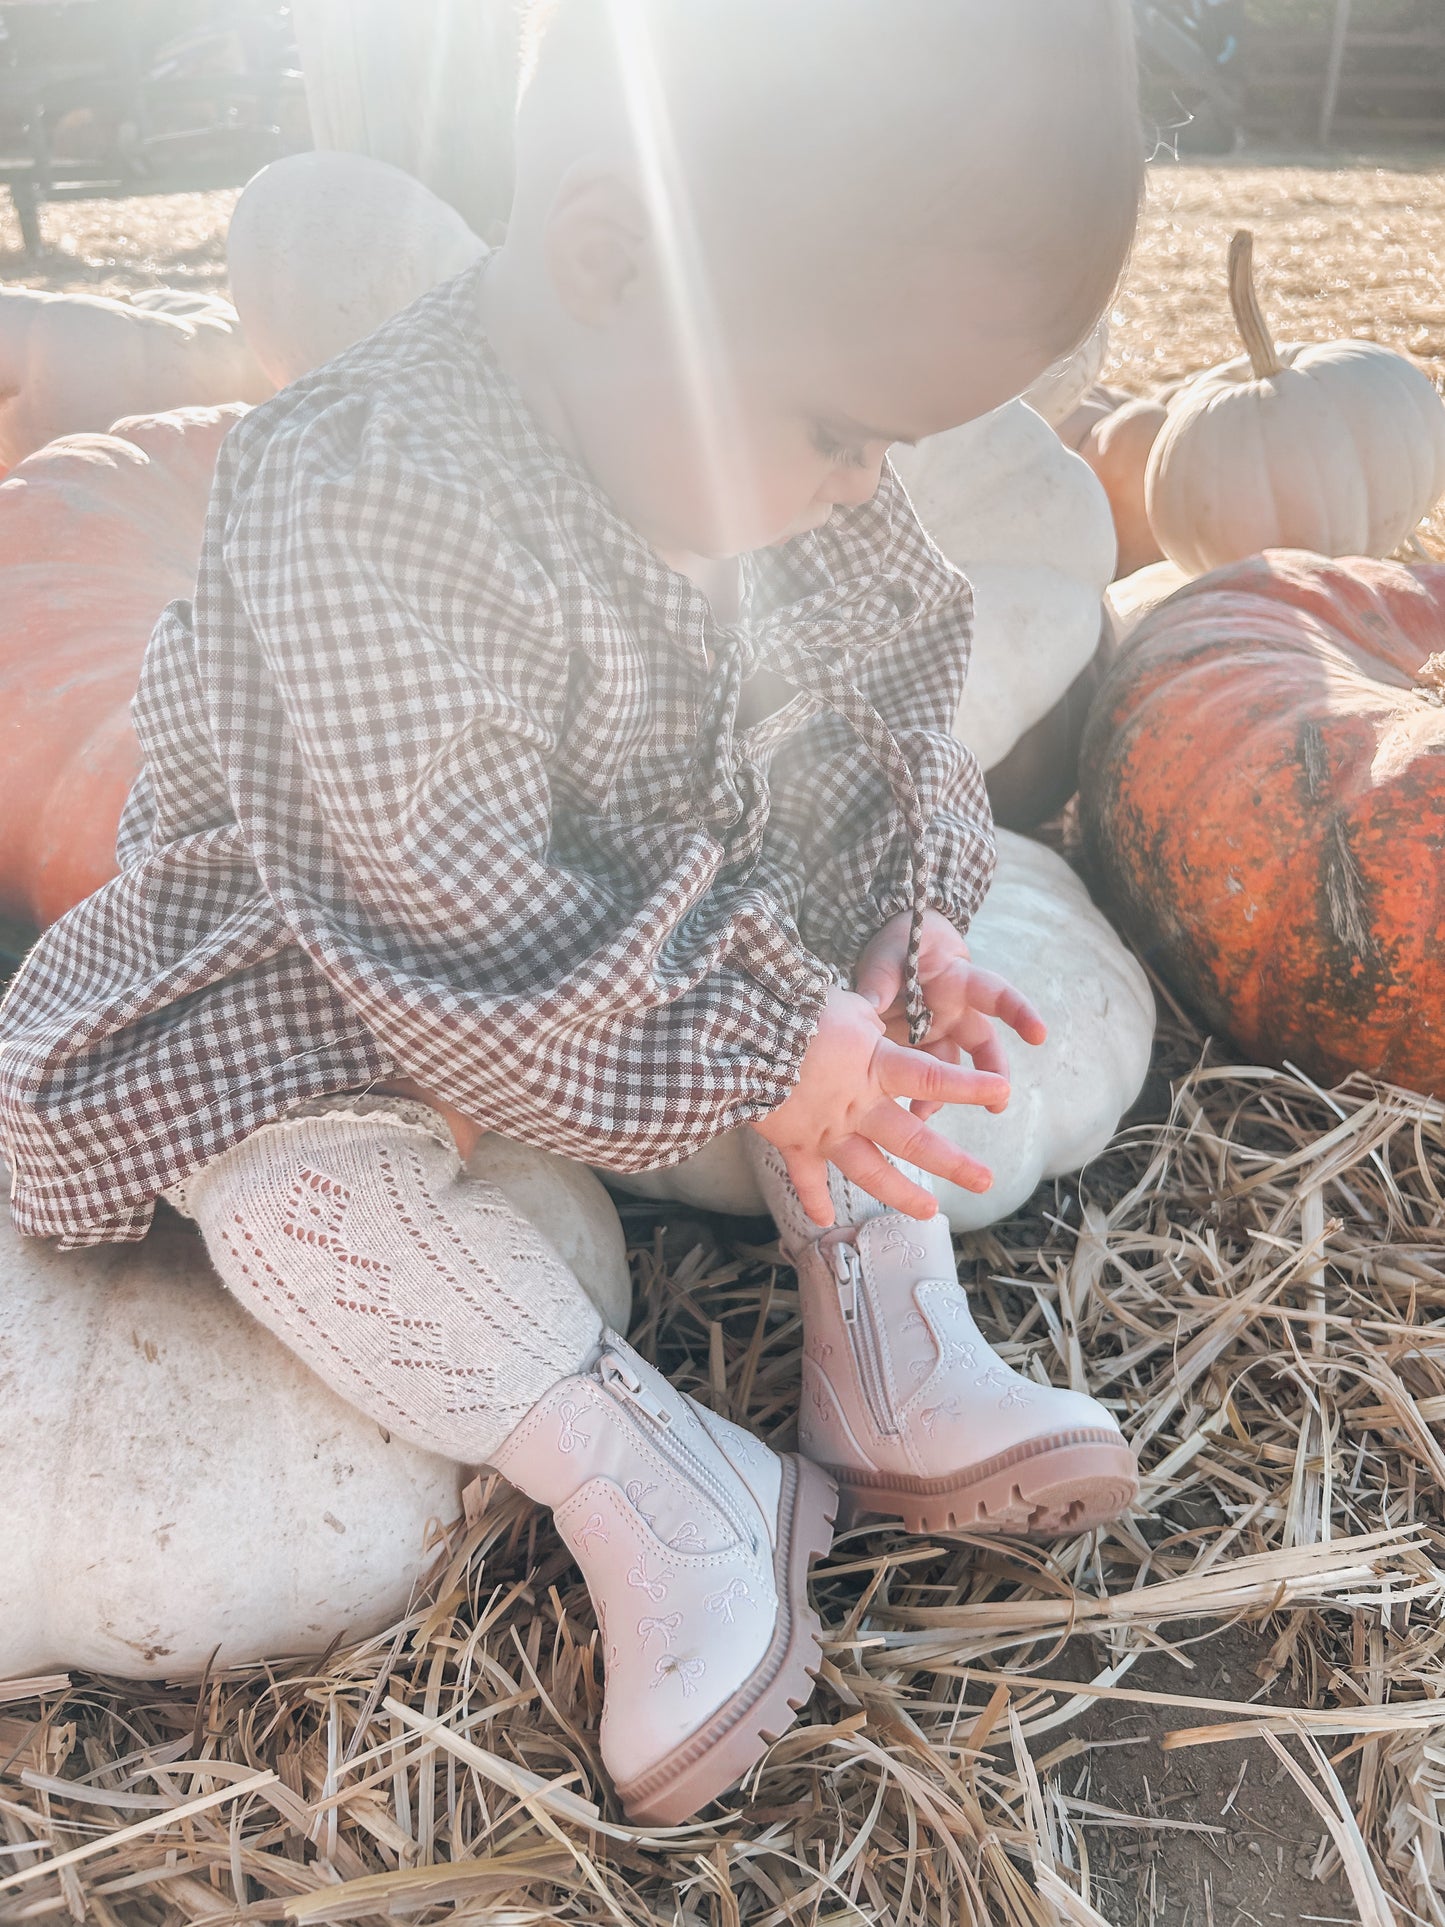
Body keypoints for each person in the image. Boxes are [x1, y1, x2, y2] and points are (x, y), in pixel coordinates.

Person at [0, 0, 1144, 1822]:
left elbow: (885, 685)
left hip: (638, 911)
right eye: (849, 432)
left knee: (852, 912)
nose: (866, 484)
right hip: (341, 947)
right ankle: (667, 1479)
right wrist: (779, 1045)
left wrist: (907, 920)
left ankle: (893, 1357)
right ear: (615, 261)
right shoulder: (368, 499)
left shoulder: (746, 439)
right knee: (287, 1198)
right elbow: (449, 909)